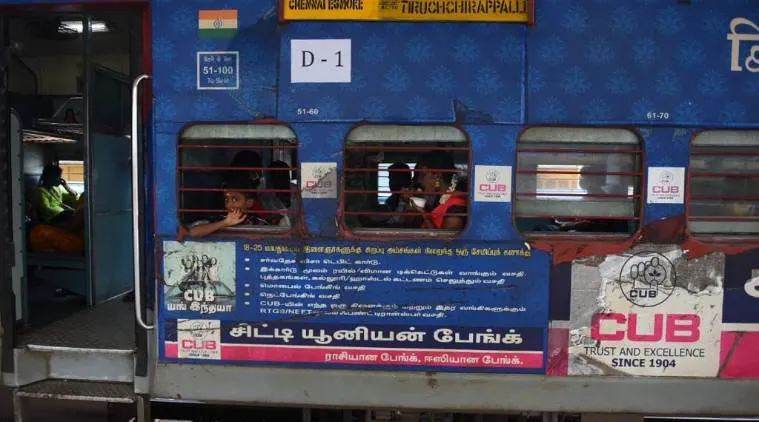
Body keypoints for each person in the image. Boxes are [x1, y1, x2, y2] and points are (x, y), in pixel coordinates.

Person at [188, 175, 269, 238]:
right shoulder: (218, 218)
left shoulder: (258, 222)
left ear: (249, 203)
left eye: (234, 200)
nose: (229, 205)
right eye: (226, 200)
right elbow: (193, 232)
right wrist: (225, 223)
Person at [403, 152, 467, 230]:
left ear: (436, 176)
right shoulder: (440, 200)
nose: (419, 181)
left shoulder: (456, 208)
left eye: (422, 176)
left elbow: (445, 241)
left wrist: (424, 214)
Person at [31, 164, 83, 231]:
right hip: (51, 220)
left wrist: (66, 186)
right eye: (58, 177)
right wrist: (65, 211)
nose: (60, 179)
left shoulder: (57, 189)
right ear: (50, 178)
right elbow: (46, 209)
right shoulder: (39, 191)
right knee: (70, 214)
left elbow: (75, 198)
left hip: (62, 216)